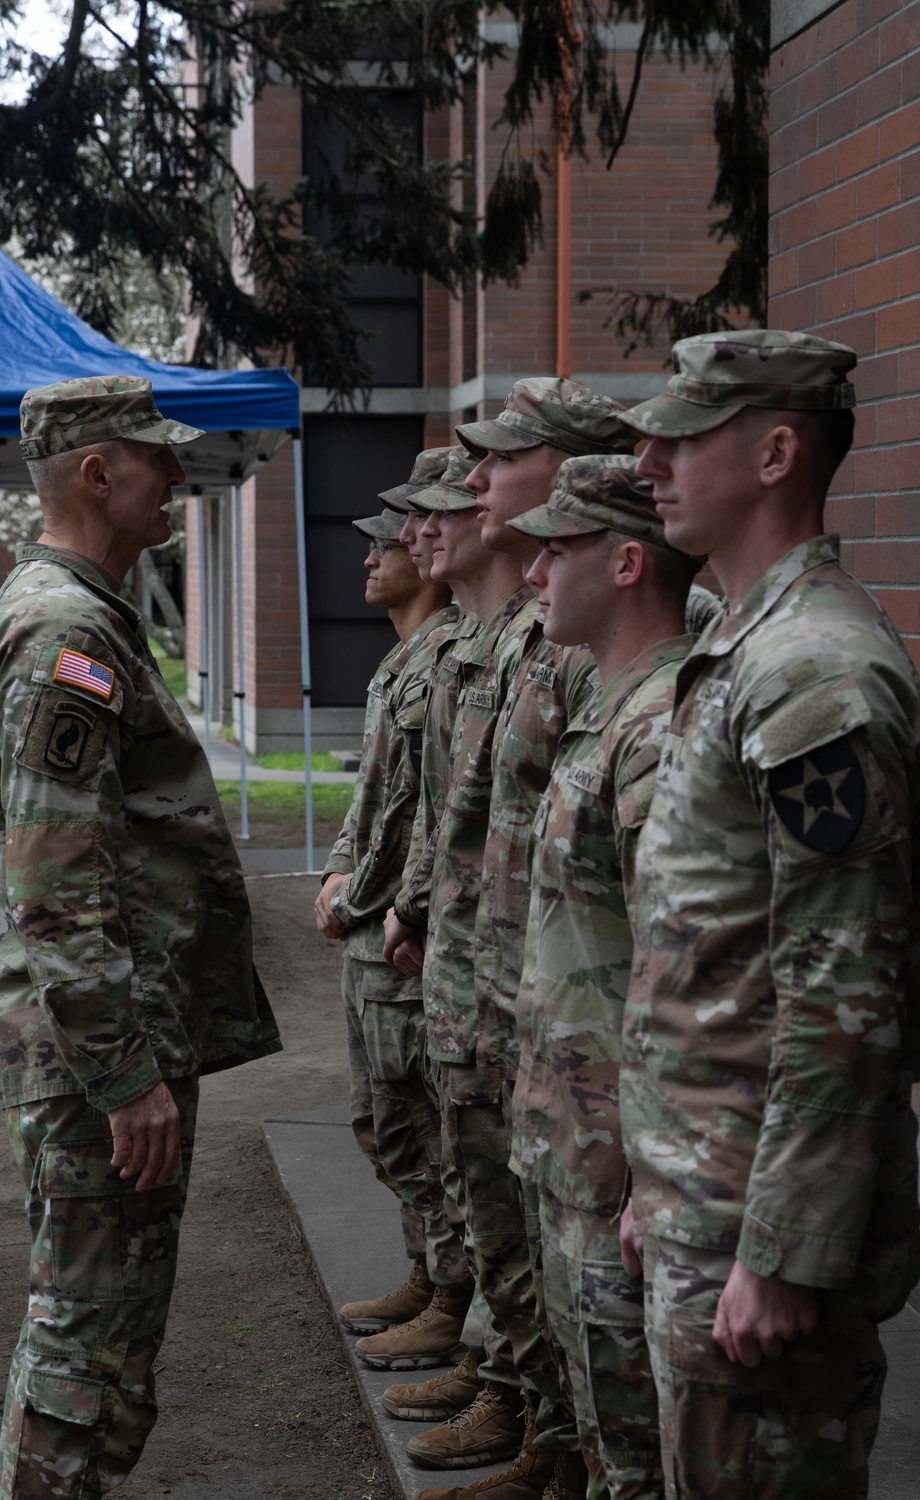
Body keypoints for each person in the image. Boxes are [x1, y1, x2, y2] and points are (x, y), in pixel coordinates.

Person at [0, 375, 282, 1500]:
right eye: (155, 456)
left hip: (88, 1048)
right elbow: (57, 880)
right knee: (86, 1349)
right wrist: (122, 1070)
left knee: (101, 1337)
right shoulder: (64, 632)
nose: (177, 475)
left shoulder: (62, 610)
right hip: (96, 1062)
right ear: (97, 470)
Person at [615, 329, 920, 1498]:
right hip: (708, 1190)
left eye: (683, 434)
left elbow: (843, 992)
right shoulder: (739, 646)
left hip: (757, 1226)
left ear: (776, 451)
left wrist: (786, 1250)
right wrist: (661, 1184)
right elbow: (709, 951)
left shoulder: (813, 674)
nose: (647, 456)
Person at [384, 382, 637, 1500]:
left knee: (554, 1248)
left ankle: (559, 1436)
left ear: (575, 469)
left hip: (549, 1004)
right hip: (488, 982)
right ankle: (543, 1417)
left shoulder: (590, 641)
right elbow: (470, 817)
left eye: (502, 460)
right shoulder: (527, 632)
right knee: (505, 1221)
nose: (476, 484)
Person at [508, 458, 701, 1499]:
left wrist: (649, 1170)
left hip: (619, 1155)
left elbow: (680, 973)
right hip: (574, 1138)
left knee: (636, 1453)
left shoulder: (660, 724)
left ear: (627, 563)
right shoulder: (610, 708)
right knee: (600, 1430)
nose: (533, 570)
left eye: (557, 549)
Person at [314, 470, 473, 1351]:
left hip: (399, 934)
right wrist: (339, 870)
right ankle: (426, 1275)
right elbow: (372, 804)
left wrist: (366, 897)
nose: (376, 554)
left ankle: (451, 1297)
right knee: (381, 1123)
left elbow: (432, 815)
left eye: (392, 539)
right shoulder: (401, 662)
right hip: (372, 923)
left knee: (418, 1128)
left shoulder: (447, 656)